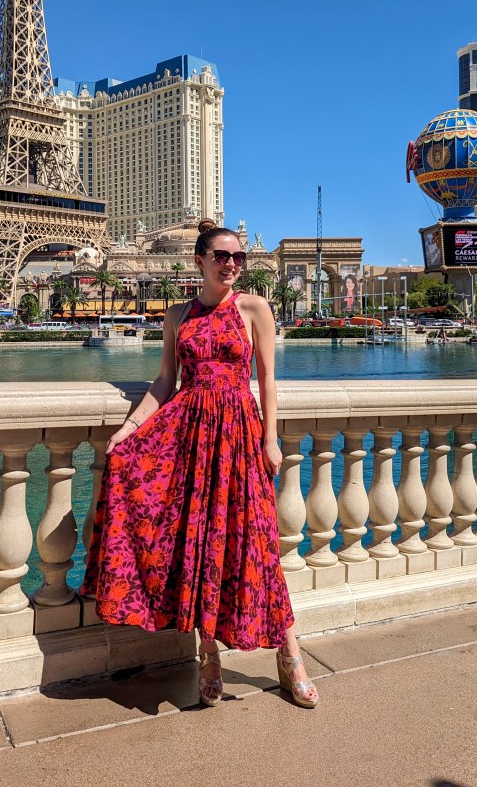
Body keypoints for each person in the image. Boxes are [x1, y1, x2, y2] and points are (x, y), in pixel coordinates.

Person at [81, 219, 318, 709]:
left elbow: (268, 380)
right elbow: (165, 382)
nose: (231, 264)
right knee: (197, 542)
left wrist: (271, 440)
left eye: (237, 258)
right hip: (189, 435)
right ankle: (206, 651)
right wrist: (129, 430)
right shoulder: (177, 316)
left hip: (238, 434)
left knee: (255, 542)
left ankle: (290, 654)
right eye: (221, 257)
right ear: (200, 261)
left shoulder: (253, 308)